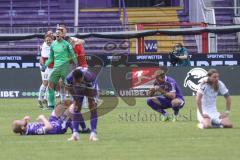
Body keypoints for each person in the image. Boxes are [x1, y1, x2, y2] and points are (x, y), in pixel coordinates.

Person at [41, 28, 78, 110]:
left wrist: (76, 64)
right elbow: (50, 58)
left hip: (65, 67)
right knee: (50, 86)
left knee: (68, 87)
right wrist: (45, 65)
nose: (57, 34)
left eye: (59, 33)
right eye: (56, 33)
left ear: (62, 35)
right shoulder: (53, 45)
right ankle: (51, 106)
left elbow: (72, 55)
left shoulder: (67, 44)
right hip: (56, 68)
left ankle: (74, 104)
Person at [65, 68, 99, 141]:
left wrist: (90, 101)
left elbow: (91, 96)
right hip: (79, 88)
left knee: (92, 106)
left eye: (79, 81)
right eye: (75, 81)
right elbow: (70, 89)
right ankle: (75, 134)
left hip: (90, 86)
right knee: (76, 108)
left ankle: (93, 133)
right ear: (73, 78)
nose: (77, 83)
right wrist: (76, 100)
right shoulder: (69, 78)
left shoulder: (89, 78)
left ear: (82, 77)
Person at [38, 34, 54, 108]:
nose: (48, 41)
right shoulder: (46, 47)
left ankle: (41, 98)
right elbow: (48, 58)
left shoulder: (45, 44)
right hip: (47, 66)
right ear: (45, 40)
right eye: (47, 40)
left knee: (46, 83)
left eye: (49, 40)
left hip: (47, 66)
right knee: (47, 83)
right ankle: (44, 99)